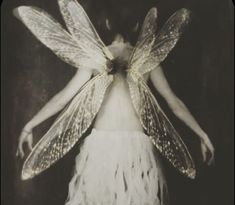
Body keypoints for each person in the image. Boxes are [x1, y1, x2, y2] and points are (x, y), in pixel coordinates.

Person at [15, 1, 214, 204]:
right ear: (137, 26)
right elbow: (173, 102)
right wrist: (202, 134)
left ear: (107, 23)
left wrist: (29, 126)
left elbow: (61, 99)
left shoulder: (95, 57)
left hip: (100, 146)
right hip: (137, 148)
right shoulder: (146, 58)